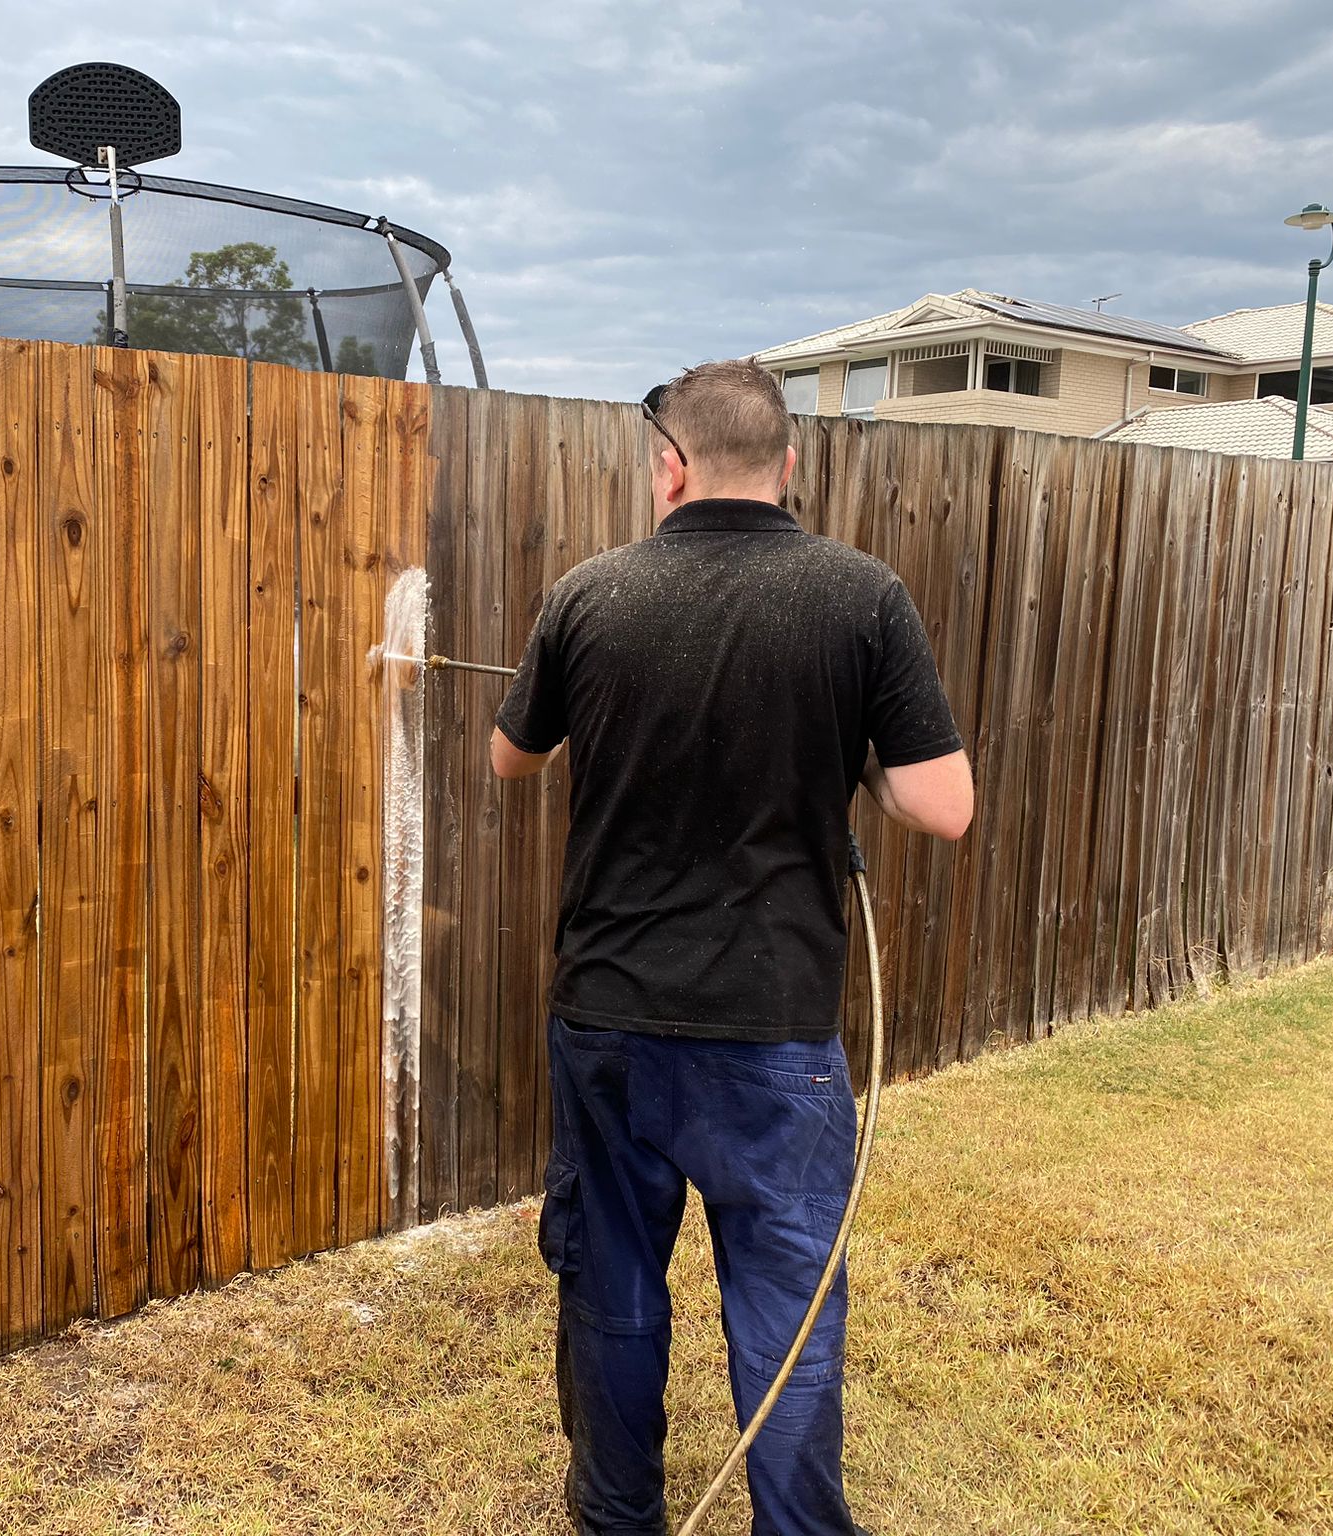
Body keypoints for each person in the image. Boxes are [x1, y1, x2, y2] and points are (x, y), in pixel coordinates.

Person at [490, 358, 972, 1536]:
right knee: (784, 1309)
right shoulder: (861, 598)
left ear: (670, 467)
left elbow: (508, 759)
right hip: (774, 1038)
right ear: (785, 464)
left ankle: (617, 1517)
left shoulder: (588, 596)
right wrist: (855, 763)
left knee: (612, 1290)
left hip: (608, 1020)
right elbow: (941, 806)